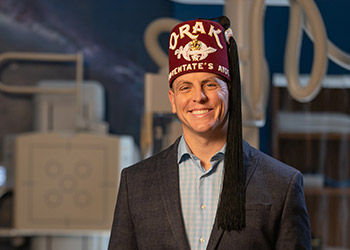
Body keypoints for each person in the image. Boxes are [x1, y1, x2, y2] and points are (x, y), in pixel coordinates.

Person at [108, 16, 311, 250]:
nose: (199, 97)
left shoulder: (282, 184)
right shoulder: (135, 184)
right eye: (185, 87)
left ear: (230, 91)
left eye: (210, 84)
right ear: (173, 100)